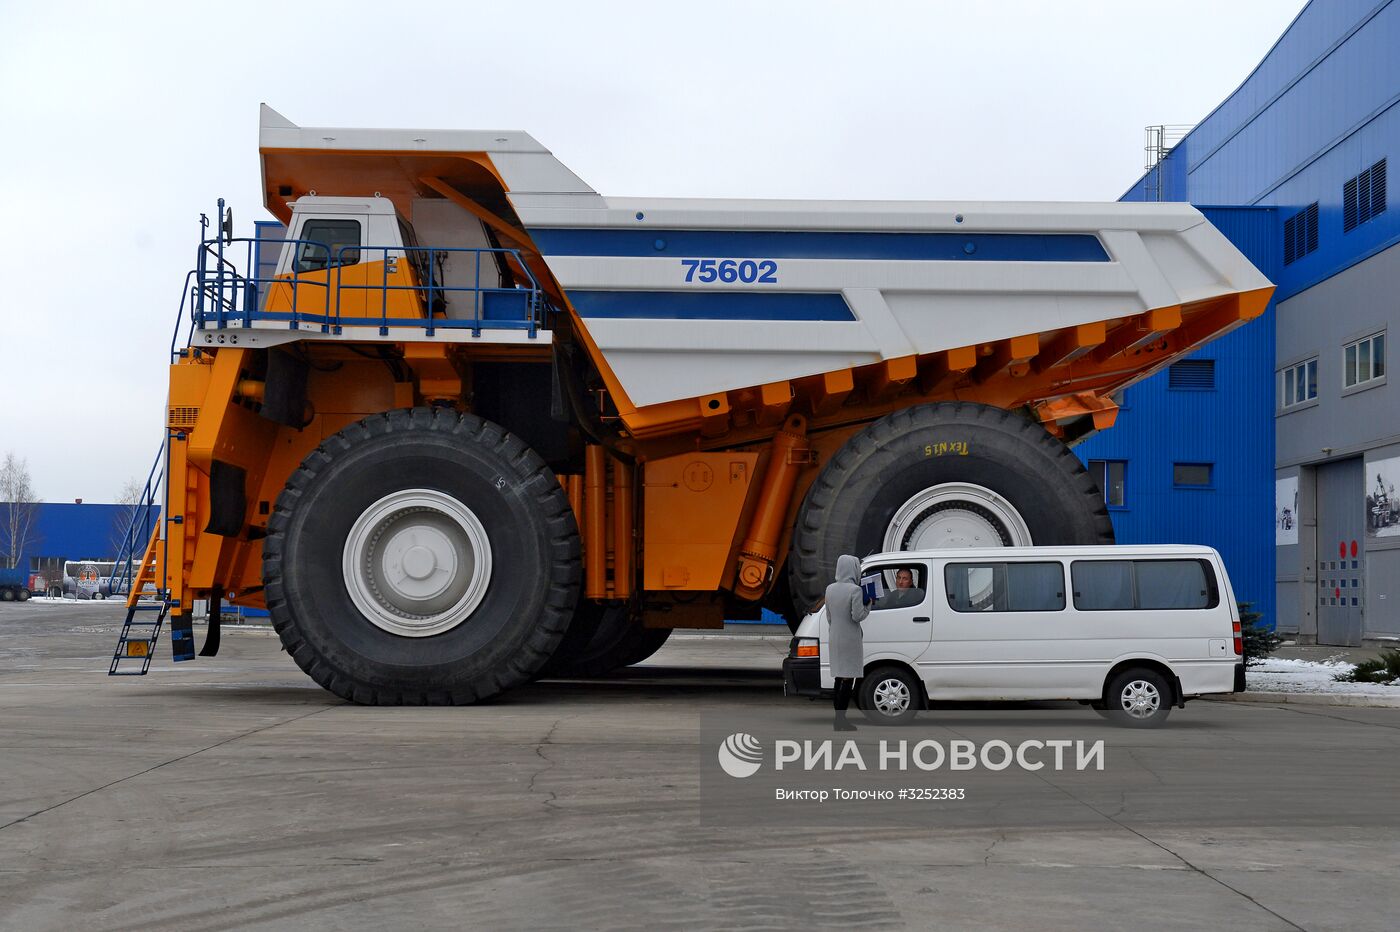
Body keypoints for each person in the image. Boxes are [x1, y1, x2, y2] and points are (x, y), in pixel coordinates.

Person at [826, 554, 870, 732]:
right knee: (847, 678)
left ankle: (838, 718)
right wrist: (869, 605)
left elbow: (829, 617)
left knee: (839, 677)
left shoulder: (830, 589)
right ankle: (841, 720)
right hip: (849, 638)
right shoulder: (855, 590)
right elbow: (857, 616)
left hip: (834, 636)